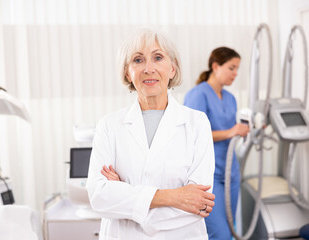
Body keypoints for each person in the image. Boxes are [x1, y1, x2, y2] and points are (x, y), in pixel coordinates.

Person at [86, 28, 216, 240]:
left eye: (158, 58)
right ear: (128, 72)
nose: (148, 68)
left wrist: (125, 196)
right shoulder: (109, 125)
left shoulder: (197, 123)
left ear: (172, 68)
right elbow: (99, 197)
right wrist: (174, 196)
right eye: (138, 60)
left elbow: (198, 204)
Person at [184, 47, 250, 240]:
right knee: (219, 233)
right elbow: (193, 135)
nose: (235, 73)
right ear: (215, 66)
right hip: (209, 176)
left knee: (230, 228)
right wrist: (231, 131)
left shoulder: (230, 98)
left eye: (237, 68)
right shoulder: (198, 95)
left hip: (230, 172)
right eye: (231, 68)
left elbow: (233, 133)